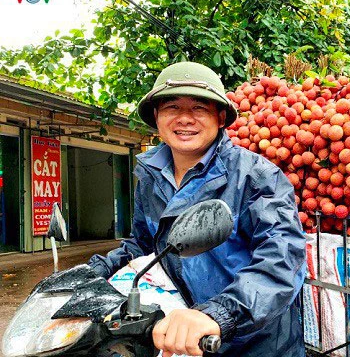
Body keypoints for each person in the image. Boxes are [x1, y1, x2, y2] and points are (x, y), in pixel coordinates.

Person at [88, 62, 306, 356]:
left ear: (219, 117)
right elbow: (142, 245)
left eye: (199, 109)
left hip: (254, 340)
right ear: (157, 116)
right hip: (183, 334)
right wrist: (93, 271)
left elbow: (282, 259)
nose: (185, 119)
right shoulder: (150, 176)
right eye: (173, 107)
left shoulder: (257, 176)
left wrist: (219, 314)